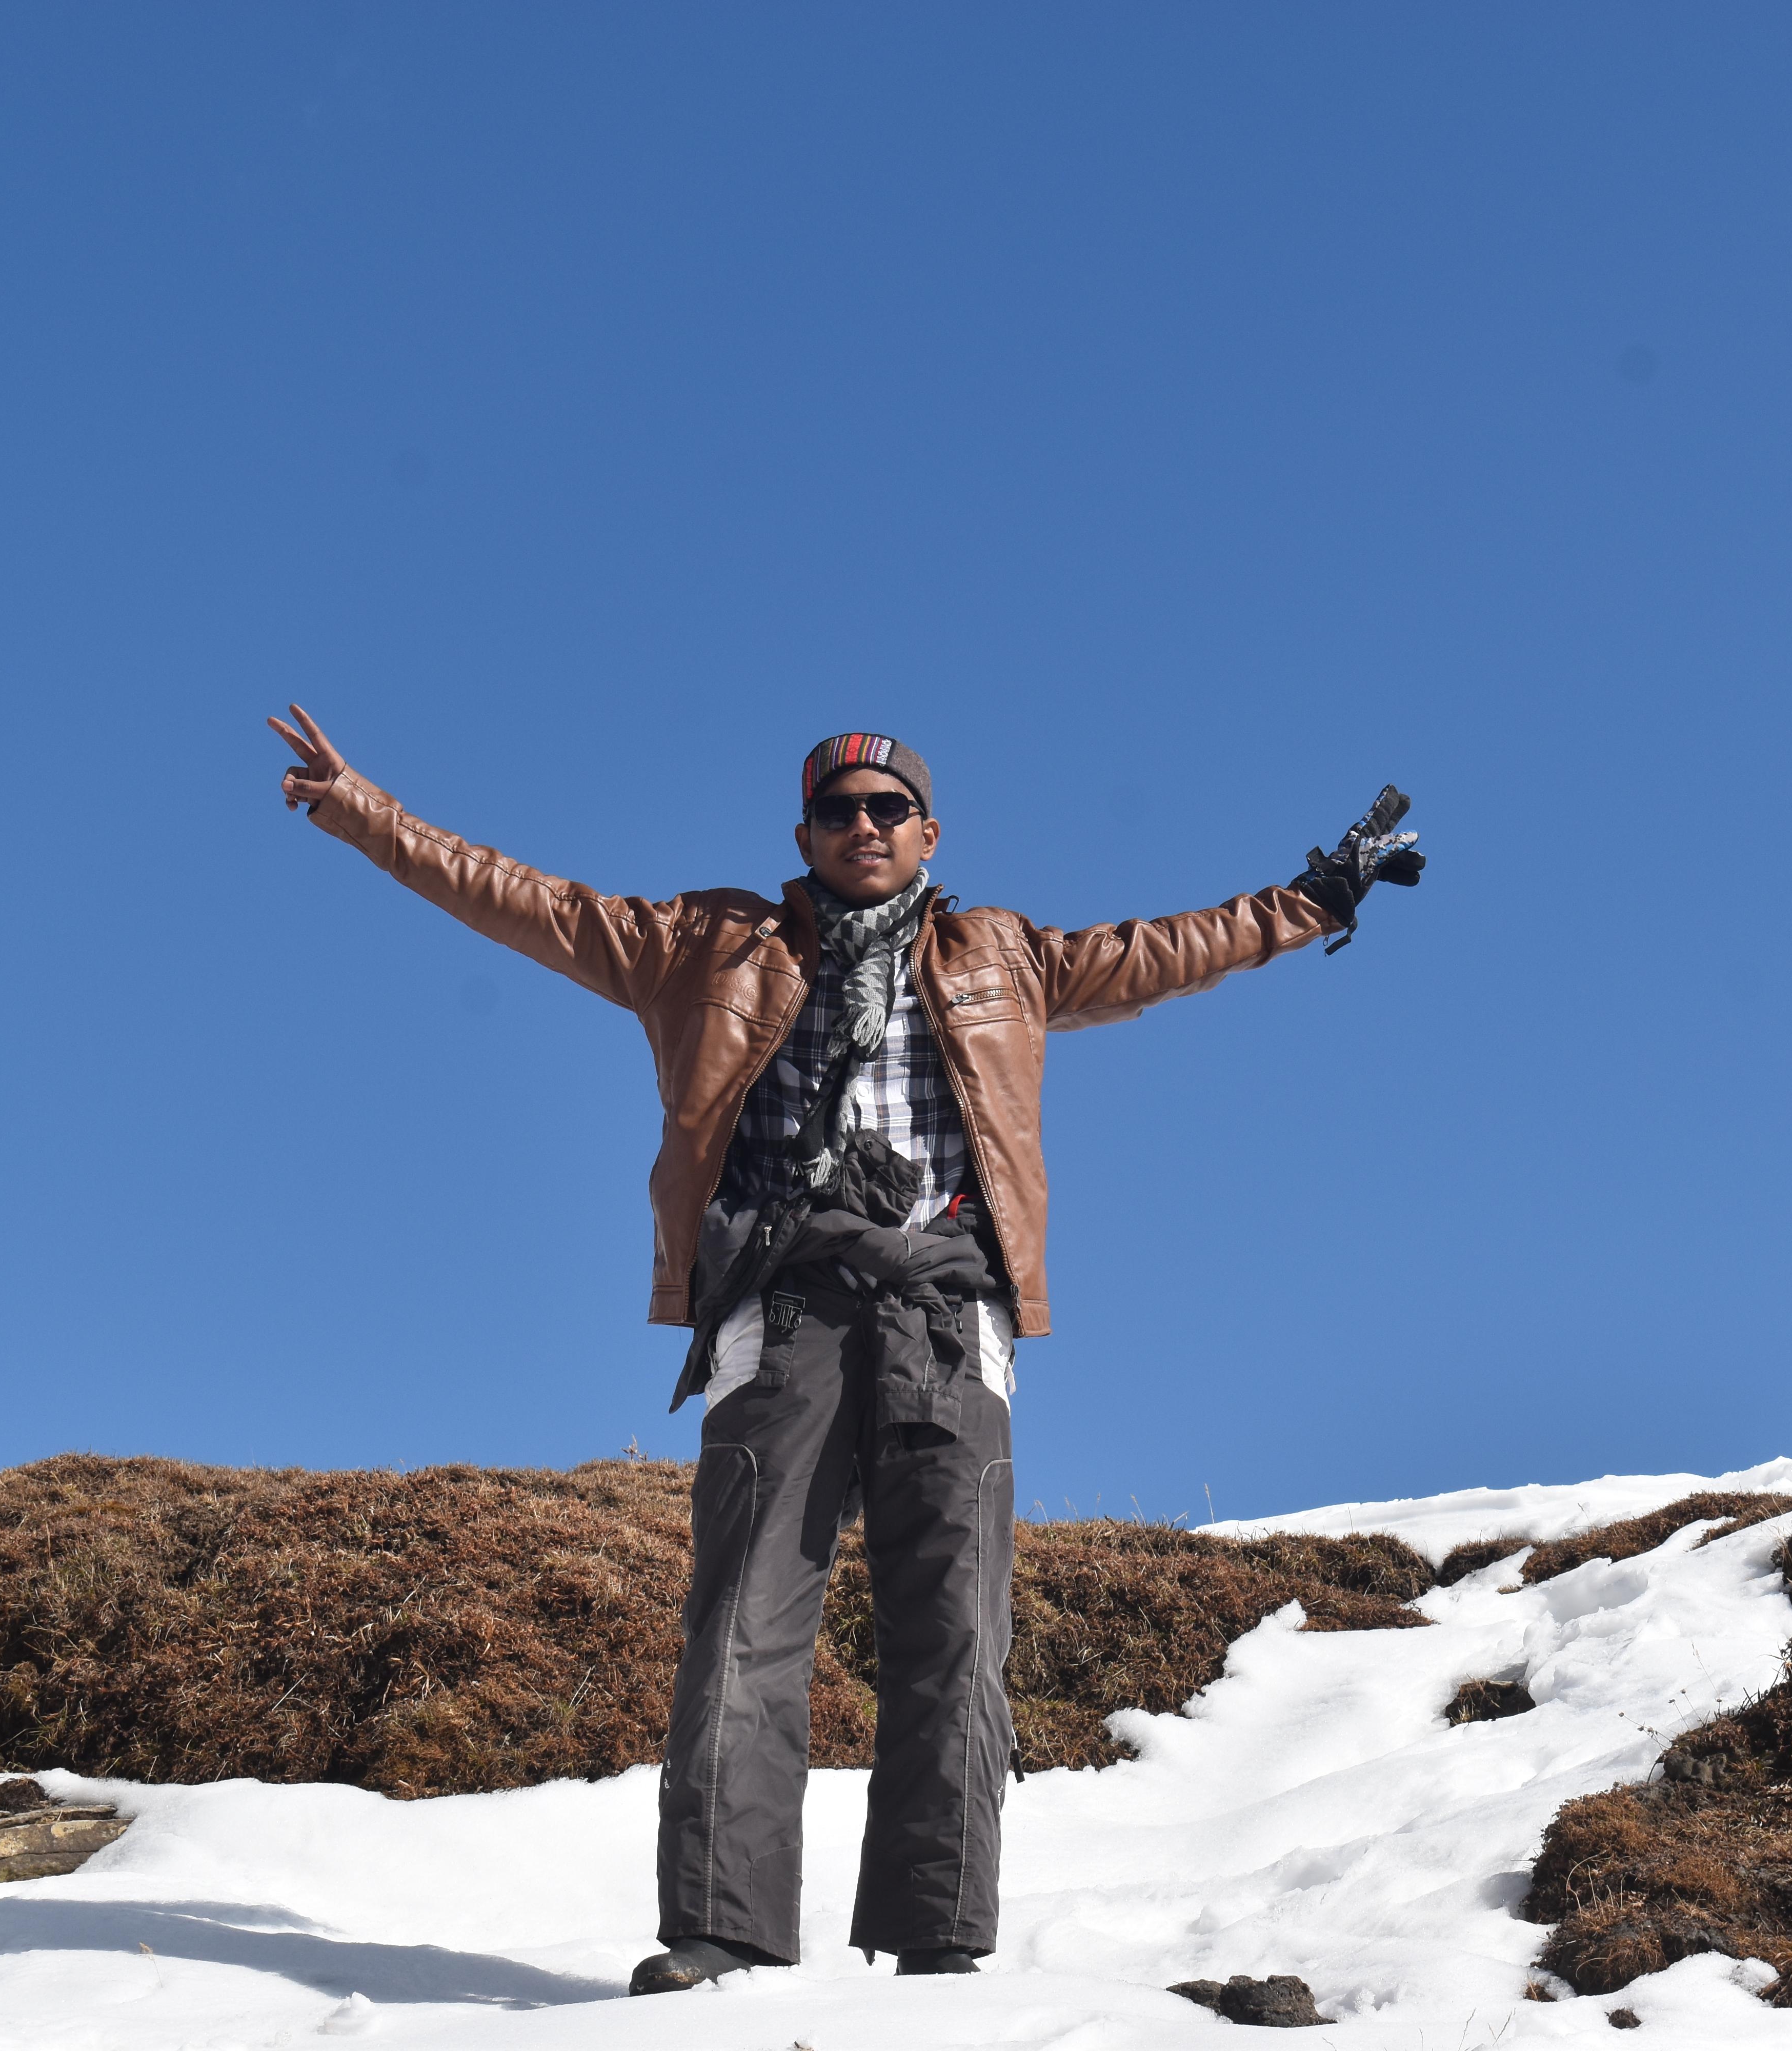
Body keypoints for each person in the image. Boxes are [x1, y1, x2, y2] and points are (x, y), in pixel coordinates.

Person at [267, 707, 1421, 1994]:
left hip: (949, 1307)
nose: (862, 827)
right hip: (786, 1297)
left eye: (887, 809)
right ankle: (719, 1932)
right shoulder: (704, 946)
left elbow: (1165, 952)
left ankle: (941, 1938)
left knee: (953, 1629)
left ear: (930, 832)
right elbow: (525, 902)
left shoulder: (1009, 955)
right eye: (837, 811)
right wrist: (366, 813)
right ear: (803, 834)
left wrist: (1316, 897)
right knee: (745, 1618)